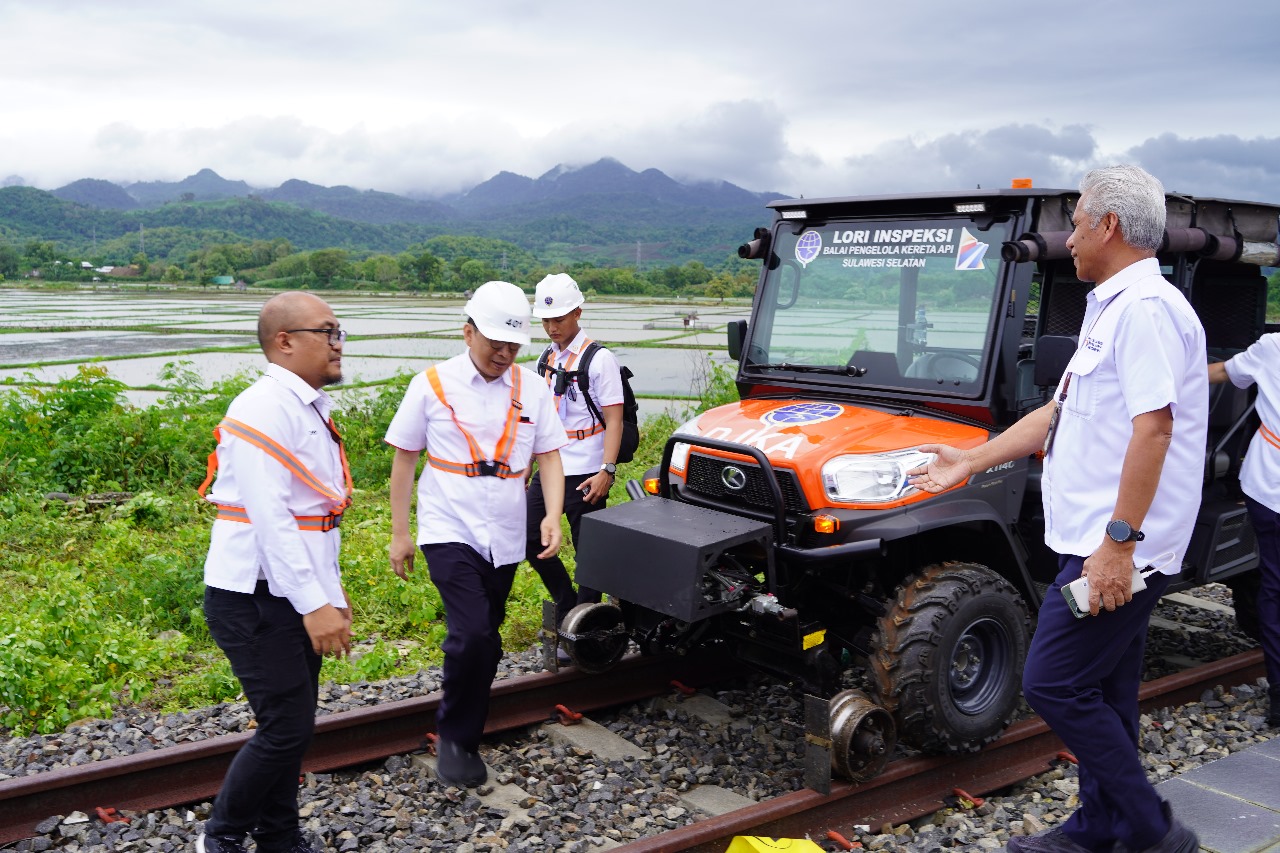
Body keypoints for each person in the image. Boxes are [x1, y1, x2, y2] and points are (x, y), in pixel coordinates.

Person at [909, 166, 1204, 853]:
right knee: (1107, 689)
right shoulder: (1111, 306)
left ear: (1108, 226)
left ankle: (1153, 828)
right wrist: (970, 460)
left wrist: (1119, 542)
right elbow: (1058, 413)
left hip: (1120, 547)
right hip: (1102, 540)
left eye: (1074, 221)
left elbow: (1153, 427)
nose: (1065, 236)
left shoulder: (1147, 310)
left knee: (1051, 679)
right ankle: (1099, 827)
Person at [386, 280, 567, 787]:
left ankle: (462, 714)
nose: (504, 355)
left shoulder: (532, 387)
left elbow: (550, 455)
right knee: (473, 633)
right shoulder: (431, 385)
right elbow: (404, 460)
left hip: (506, 530)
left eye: (512, 346)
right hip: (448, 522)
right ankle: (458, 736)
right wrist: (400, 534)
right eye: (495, 344)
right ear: (468, 333)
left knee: (483, 638)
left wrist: (552, 514)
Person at [196, 292, 354, 853]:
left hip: (286, 590)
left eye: (340, 332)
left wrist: (329, 596)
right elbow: (272, 522)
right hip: (256, 596)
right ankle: (220, 838)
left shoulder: (306, 404)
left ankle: (279, 839)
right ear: (284, 342)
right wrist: (315, 605)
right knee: (287, 727)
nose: (338, 344)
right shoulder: (263, 408)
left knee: (291, 726)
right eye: (327, 332)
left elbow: (317, 520)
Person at [525, 273, 626, 643]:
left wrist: (607, 470)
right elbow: (541, 419)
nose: (552, 327)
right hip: (551, 465)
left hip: (587, 469)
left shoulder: (600, 360)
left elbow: (614, 419)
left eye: (560, 319)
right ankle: (568, 606)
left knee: (590, 554)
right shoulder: (546, 358)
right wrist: (528, 466)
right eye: (546, 320)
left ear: (578, 313)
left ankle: (588, 628)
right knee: (528, 535)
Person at [1208, 335, 1280, 727]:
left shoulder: (1272, 347)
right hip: (1270, 486)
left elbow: (1223, 371)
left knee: (1275, 586)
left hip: (1270, 486)